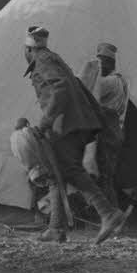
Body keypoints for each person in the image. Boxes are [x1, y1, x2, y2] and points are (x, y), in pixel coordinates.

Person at [23, 25, 127, 244]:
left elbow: (60, 88)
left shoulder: (42, 60)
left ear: (29, 48)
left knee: (69, 169)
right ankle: (56, 227)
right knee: (57, 172)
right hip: (74, 121)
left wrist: (45, 122)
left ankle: (107, 213)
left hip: (67, 123)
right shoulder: (52, 58)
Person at [80, 41, 129, 208]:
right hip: (113, 130)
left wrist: (90, 71)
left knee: (103, 176)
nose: (100, 66)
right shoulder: (120, 80)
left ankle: (111, 213)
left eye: (102, 62)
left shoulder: (110, 82)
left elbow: (87, 91)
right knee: (106, 175)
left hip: (107, 130)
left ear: (109, 63)